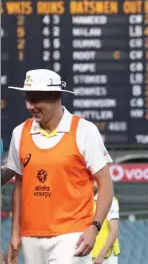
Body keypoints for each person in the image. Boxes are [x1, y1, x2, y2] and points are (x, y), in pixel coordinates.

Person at [6, 69, 114, 264]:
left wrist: (95, 227)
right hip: (30, 236)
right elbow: (19, 185)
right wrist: (15, 232)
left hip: (72, 235)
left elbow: (106, 185)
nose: (30, 106)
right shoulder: (19, 133)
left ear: (56, 97)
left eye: (35, 99)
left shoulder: (84, 130)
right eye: (27, 98)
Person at [91, 182, 120, 264]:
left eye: (94, 180)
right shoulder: (86, 201)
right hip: (89, 254)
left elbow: (114, 232)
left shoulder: (110, 201)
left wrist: (101, 256)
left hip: (105, 257)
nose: (92, 183)